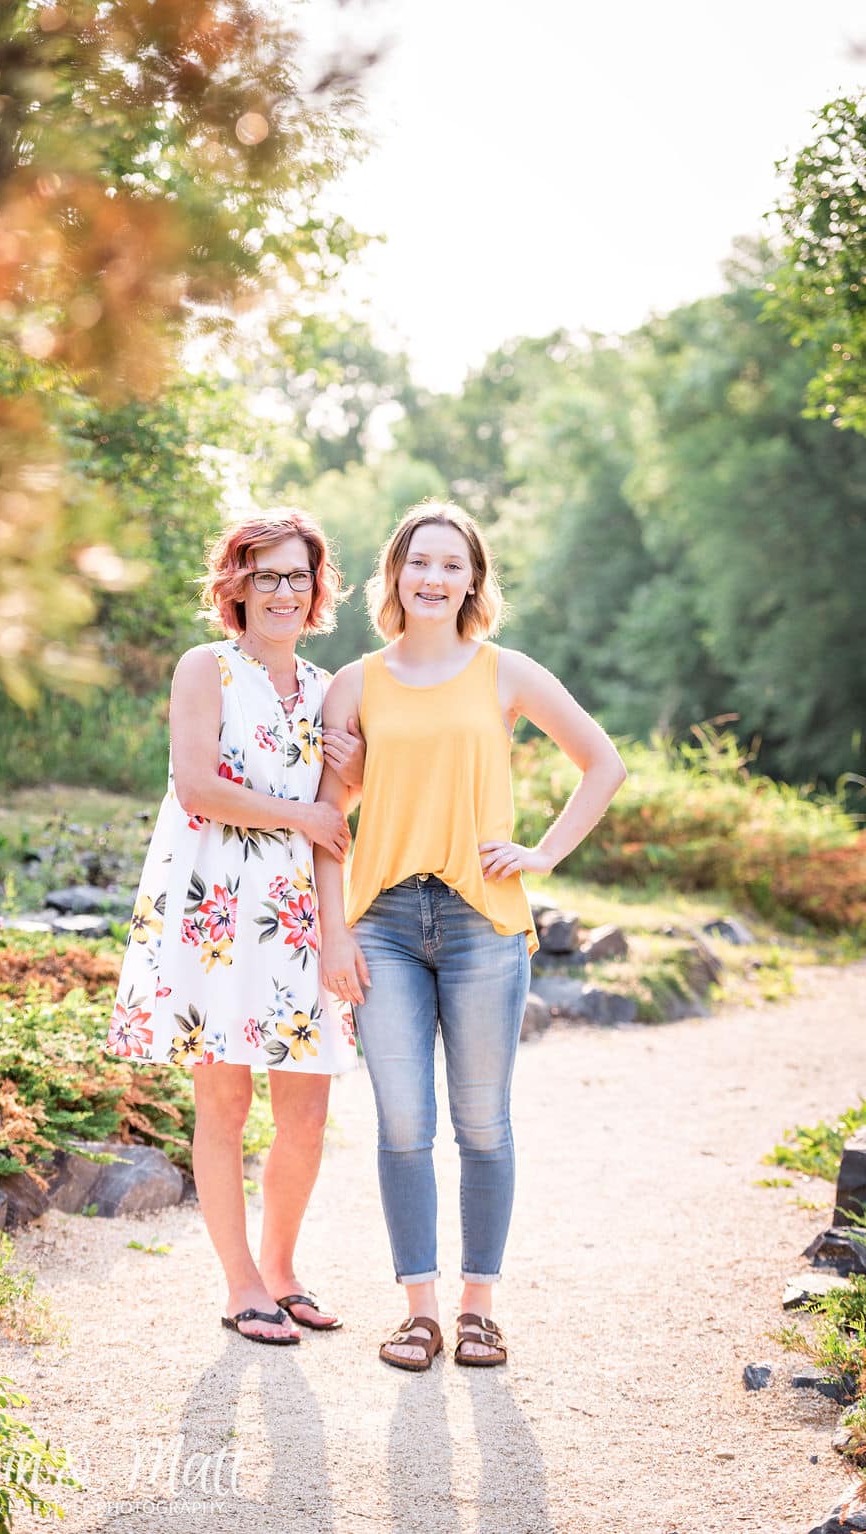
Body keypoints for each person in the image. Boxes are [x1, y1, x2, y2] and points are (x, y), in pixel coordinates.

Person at [315, 501, 627, 1371]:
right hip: (380, 926)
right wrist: (333, 934)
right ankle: (417, 1312)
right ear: (395, 574)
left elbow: (603, 762)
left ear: (473, 580)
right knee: (403, 1122)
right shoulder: (354, 683)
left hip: (484, 919)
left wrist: (543, 854)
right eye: (420, 562)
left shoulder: (506, 673)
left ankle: (479, 1308)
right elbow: (329, 822)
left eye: (453, 564)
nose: (434, 578)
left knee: (482, 1123)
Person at [103, 509, 363, 1344]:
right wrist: (309, 811)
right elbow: (196, 787)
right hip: (213, 911)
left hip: (293, 919)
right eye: (265, 575)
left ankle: (283, 1270)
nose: (283, 592)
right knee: (223, 1101)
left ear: (317, 589)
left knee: (307, 1111)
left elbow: (334, 826)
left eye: (298, 576)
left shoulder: (330, 690)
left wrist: (335, 931)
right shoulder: (205, 668)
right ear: (237, 586)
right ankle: (240, 1282)